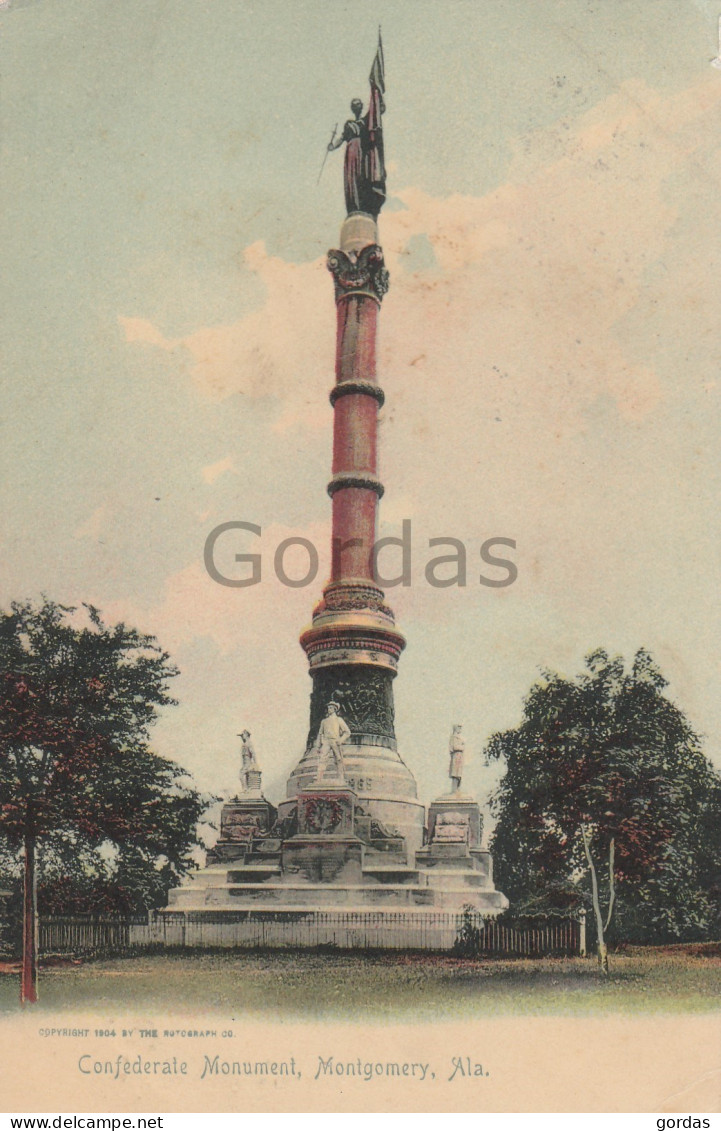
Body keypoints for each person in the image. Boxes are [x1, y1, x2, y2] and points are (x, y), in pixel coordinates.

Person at [315, 701, 351, 781]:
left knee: (338, 759)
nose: (329, 709)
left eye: (331, 708)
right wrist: (318, 746)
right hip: (326, 742)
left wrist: (340, 740)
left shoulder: (339, 720)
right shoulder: (324, 721)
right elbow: (320, 734)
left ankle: (341, 777)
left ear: (335, 709)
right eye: (328, 708)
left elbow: (347, 732)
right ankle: (319, 777)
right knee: (322, 759)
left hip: (335, 741)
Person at [448, 724, 465, 792]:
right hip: (456, 756)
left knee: (459, 774)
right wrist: (461, 747)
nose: (460, 729)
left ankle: (458, 789)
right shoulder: (454, 737)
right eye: (459, 727)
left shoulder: (460, 737)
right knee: (455, 773)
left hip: (460, 756)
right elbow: (454, 747)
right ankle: (454, 789)